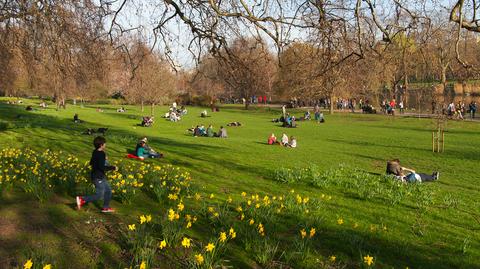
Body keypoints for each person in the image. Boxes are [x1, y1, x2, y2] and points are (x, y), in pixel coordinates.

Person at [76, 136, 117, 213]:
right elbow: (101, 167)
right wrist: (112, 168)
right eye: (105, 144)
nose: (105, 145)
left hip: (100, 176)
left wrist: (103, 159)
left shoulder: (95, 151)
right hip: (98, 177)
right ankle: (82, 199)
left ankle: (106, 207)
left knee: (108, 191)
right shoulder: (101, 154)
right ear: (101, 145)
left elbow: (91, 162)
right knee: (100, 195)